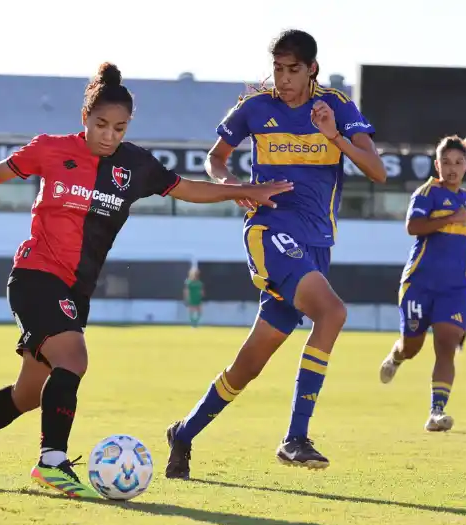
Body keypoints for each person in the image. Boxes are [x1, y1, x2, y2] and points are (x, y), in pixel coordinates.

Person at [0, 62, 293, 499]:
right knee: (73, 359)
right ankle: (52, 462)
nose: (109, 135)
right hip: (35, 275)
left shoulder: (134, 165)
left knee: (29, 394)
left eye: (119, 127)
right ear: (84, 117)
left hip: (75, 291)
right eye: (101, 124)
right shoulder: (50, 149)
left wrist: (242, 190)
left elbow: (189, 189)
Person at [165, 29, 387, 479]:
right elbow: (216, 158)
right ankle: (295, 437)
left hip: (315, 244)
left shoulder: (336, 108)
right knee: (333, 313)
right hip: (269, 230)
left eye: (293, 70)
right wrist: (233, 186)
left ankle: (183, 434)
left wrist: (334, 137)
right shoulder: (255, 108)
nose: (283, 80)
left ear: (312, 70)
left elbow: (377, 171)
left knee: (249, 363)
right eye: (278, 70)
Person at [378, 135, 466, 432]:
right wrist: (447, 218)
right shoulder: (426, 193)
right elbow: (413, 227)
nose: (451, 168)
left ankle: (436, 412)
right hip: (420, 283)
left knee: (447, 344)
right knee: (413, 347)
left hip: (455, 287)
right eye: (446, 162)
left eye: (458, 162)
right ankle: (397, 354)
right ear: (437, 165)